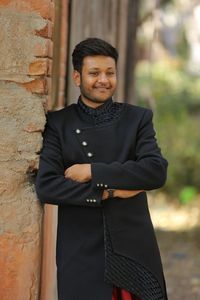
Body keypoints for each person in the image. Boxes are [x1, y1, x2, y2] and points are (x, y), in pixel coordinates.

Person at [36, 37, 168, 300]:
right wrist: (109, 192)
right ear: (77, 77)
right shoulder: (58, 123)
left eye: (110, 72)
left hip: (132, 245)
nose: (103, 80)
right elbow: (48, 186)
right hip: (80, 249)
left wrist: (93, 172)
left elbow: (155, 170)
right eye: (94, 73)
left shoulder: (138, 118)